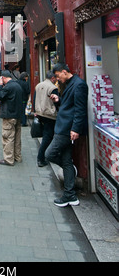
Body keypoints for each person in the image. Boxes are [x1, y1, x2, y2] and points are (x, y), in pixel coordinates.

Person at [45, 63, 88, 207]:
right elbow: (68, 105)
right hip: (63, 127)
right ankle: (70, 195)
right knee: (67, 160)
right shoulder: (71, 84)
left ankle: (69, 171)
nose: (57, 79)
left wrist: (76, 129)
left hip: (66, 129)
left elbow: (80, 109)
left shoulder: (79, 85)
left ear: (64, 72)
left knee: (49, 154)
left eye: (57, 76)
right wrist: (58, 101)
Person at [0, 71, 24, 166]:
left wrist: (0, 86)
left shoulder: (8, 86)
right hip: (18, 115)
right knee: (17, 137)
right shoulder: (17, 85)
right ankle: (17, 156)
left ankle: (8, 159)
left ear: (3, 78)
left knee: (8, 137)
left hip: (9, 115)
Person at [34, 71, 58, 167]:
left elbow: (35, 98)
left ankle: (45, 156)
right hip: (49, 114)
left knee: (46, 136)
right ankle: (41, 158)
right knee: (47, 137)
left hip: (40, 113)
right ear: (52, 78)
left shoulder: (38, 85)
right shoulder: (53, 88)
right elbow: (57, 102)